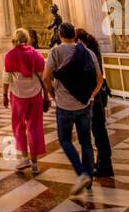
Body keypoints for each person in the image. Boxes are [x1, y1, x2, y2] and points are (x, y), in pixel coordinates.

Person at [44, 21, 103, 195]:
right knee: (86, 142)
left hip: (64, 106)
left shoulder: (55, 51)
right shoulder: (88, 52)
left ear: (60, 35)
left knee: (64, 140)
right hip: (85, 104)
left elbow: (46, 77)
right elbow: (100, 79)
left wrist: (53, 95)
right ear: (74, 36)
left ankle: (82, 172)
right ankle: (89, 181)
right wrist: (91, 96)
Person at [3, 28, 47, 173]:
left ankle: (24, 158)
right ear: (27, 39)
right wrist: (46, 96)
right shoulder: (36, 54)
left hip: (18, 95)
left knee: (19, 126)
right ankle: (35, 163)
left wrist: (4, 95)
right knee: (35, 127)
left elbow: (6, 78)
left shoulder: (10, 55)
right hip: (35, 95)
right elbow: (43, 78)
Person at [75, 28, 114, 178]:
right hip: (99, 94)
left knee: (98, 132)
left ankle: (104, 165)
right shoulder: (92, 49)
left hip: (94, 97)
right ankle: (103, 163)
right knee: (99, 131)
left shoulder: (87, 54)